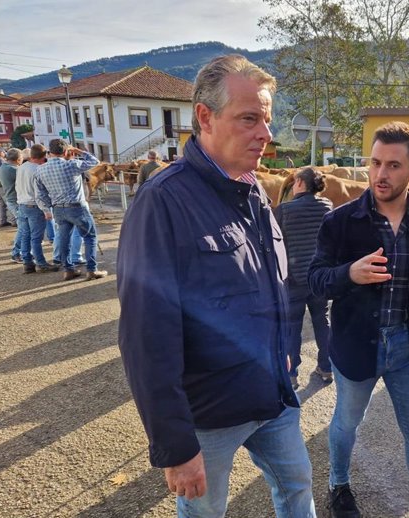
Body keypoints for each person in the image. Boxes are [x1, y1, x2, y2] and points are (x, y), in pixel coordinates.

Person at [116, 54, 315, 518]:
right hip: (208, 416)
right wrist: (175, 446)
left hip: (273, 394)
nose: (265, 133)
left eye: (265, 119)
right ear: (204, 117)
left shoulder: (254, 193)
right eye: (249, 119)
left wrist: (286, 351)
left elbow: (275, 284)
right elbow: (147, 338)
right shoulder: (162, 203)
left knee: (298, 485)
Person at [308, 121, 409, 518]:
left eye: (394, 166)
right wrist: (348, 274)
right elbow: (316, 281)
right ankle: (338, 484)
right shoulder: (341, 221)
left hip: (407, 346)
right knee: (346, 425)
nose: (381, 174)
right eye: (375, 162)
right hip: (355, 344)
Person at [274, 167, 333, 389]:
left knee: (292, 326)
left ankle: (291, 373)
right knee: (322, 321)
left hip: (294, 280)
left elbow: (276, 246)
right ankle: (326, 368)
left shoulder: (284, 210)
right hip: (320, 278)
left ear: (299, 182)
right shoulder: (327, 206)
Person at [35, 139, 107, 281]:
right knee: (90, 237)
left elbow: (40, 194)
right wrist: (79, 151)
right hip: (76, 207)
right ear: (66, 151)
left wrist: (47, 208)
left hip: (58, 209)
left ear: (50, 152)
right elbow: (95, 161)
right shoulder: (72, 165)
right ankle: (92, 270)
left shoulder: (40, 169)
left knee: (63, 239)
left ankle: (68, 270)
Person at [15, 144, 59, 273]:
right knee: (36, 237)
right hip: (35, 206)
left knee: (25, 235)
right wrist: (46, 210)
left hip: (22, 204)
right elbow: (39, 193)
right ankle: (41, 262)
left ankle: (27, 262)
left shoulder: (21, 167)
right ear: (43, 156)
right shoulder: (38, 170)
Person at [0, 148, 23, 262]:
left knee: (23, 227)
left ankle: (19, 252)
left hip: (11, 199)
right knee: (23, 228)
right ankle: (16, 252)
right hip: (16, 200)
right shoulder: (14, 169)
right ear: (18, 159)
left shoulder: (3, 167)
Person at [0, 147, 12, 227]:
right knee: (8, 201)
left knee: (0, 203)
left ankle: (2, 220)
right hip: (1, 184)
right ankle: (14, 221)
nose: (5, 154)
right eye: (4, 152)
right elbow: (3, 172)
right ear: (0, 152)